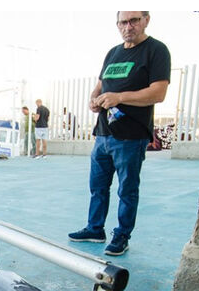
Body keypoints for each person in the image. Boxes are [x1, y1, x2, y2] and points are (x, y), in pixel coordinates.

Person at [68, 11, 170, 256]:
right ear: (117, 25)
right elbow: (101, 84)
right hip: (103, 134)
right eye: (123, 22)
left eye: (134, 20)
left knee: (127, 189)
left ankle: (122, 235)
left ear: (146, 20)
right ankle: (95, 229)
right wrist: (93, 100)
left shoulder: (156, 50)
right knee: (98, 186)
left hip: (131, 136)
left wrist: (120, 97)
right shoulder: (113, 53)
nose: (129, 26)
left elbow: (158, 93)